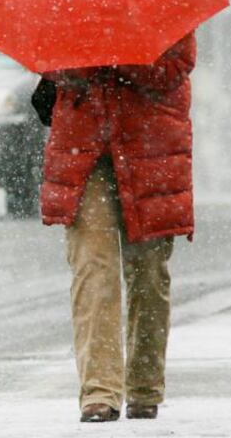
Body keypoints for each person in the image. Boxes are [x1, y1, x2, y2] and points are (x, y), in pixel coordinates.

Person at [35, 32, 196, 423]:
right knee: (93, 268)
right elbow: (51, 65)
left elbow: (173, 69)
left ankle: (144, 387)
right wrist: (78, 61)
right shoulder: (71, 5)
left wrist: (120, 50)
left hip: (151, 150)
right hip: (85, 151)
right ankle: (99, 393)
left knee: (148, 275)